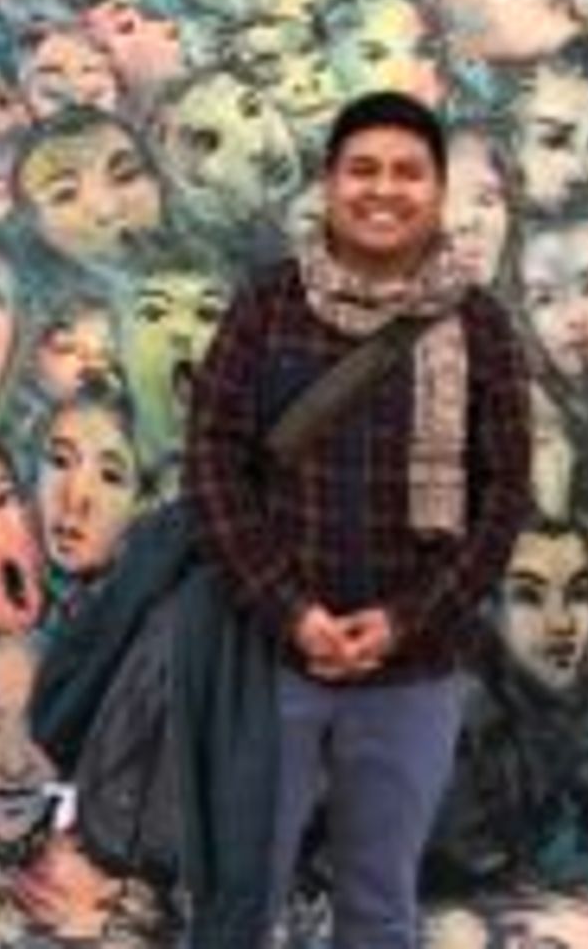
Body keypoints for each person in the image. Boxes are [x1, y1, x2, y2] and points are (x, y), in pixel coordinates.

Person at [187, 91, 532, 949]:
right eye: (363, 169)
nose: (385, 190)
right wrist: (291, 613)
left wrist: (404, 621)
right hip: (267, 663)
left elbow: (503, 499)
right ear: (329, 184)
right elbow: (213, 466)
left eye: (408, 172)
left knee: (379, 907)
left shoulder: (478, 327)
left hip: (413, 670)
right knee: (238, 899)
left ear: (439, 191)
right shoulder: (267, 308)